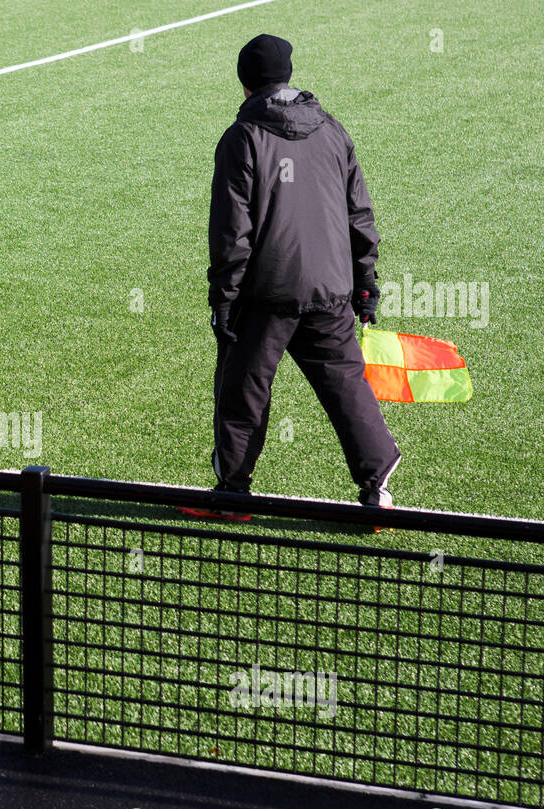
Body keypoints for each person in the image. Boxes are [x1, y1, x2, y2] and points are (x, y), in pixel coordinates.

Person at [199, 34, 401, 519]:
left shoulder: (242, 137)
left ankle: (233, 495)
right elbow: (360, 215)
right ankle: (379, 490)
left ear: (244, 82)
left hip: (265, 292)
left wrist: (224, 296)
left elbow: (233, 229)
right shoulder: (331, 130)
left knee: (244, 389)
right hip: (331, 288)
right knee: (346, 384)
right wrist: (366, 285)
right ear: (288, 75)